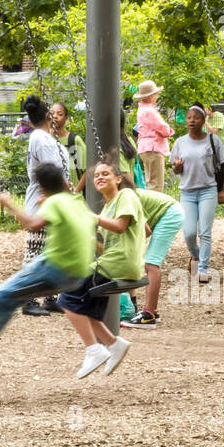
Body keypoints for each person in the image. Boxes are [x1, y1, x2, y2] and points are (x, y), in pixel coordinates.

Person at [0, 162, 95, 377]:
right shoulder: (75, 201)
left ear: (41, 187)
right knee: (7, 300)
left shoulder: (55, 202)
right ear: (63, 182)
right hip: (77, 273)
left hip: (56, 269)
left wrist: (9, 204)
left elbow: (32, 224)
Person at [57, 158, 147, 376]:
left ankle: (93, 349)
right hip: (116, 262)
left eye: (105, 174)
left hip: (116, 265)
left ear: (119, 179)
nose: (100, 177)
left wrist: (94, 218)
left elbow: (119, 227)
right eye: (96, 175)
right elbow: (143, 229)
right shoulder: (108, 208)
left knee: (66, 299)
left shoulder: (125, 195)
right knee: (85, 309)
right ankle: (113, 344)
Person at [113, 160, 184, 329]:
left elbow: (146, 230)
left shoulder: (126, 197)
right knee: (147, 262)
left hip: (169, 213)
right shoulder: (120, 198)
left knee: (151, 263)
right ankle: (152, 310)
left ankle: (149, 314)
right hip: (167, 212)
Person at [17, 95, 71, 316]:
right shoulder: (41, 138)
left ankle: (50, 296)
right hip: (44, 198)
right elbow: (51, 172)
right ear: (47, 115)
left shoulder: (41, 136)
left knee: (51, 249)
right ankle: (27, 298)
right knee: (35, 249)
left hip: (50, 197)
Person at [169, 103, 224, 283]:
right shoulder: (180, 142)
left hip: (208, 190)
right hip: (187, 192)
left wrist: (223, 189)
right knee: (188, 233)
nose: (192, 121)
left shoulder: (213, 140)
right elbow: (175, 170)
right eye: (189, 117)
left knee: (205, 232)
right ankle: (195, 255)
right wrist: (177, 168)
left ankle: (203, 268)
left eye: (196, 118)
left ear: (204, 121)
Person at [133, 80, 173, 192]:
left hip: (145, 148)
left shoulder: (142, 109)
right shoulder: (149, 111)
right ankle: (155, 208)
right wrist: (169, 131)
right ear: (152, 96)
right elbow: (162, 127)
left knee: (150, 181)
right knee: (156, 184)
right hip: (153, 148)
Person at [50, 101, 87, 194]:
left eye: (59, 114)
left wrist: (77, 190)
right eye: (52, 113)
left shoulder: (74, 140)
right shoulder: (45, 140)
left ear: (66, 118)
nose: (55, 116)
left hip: (72, 198)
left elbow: (87, 170)